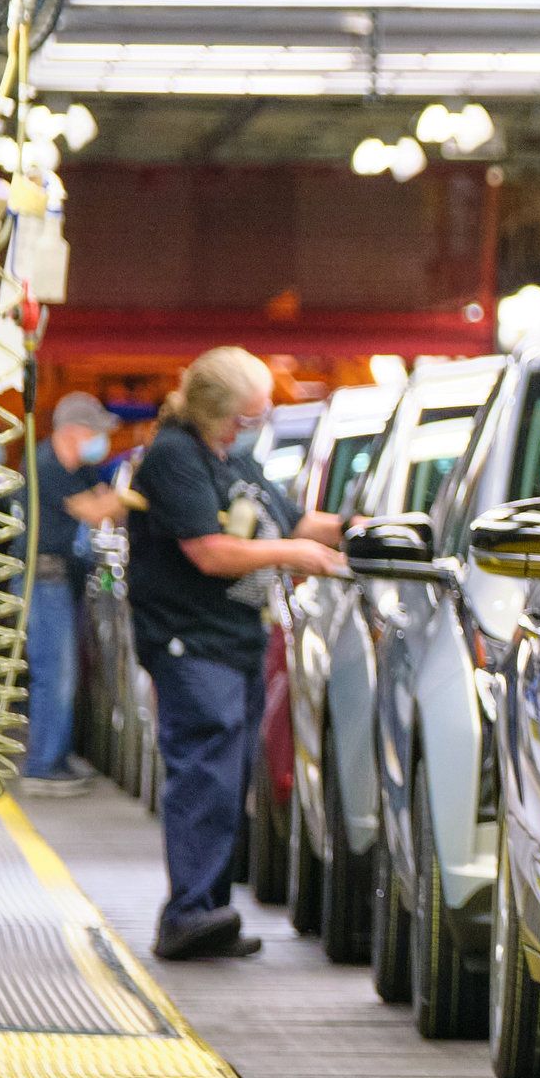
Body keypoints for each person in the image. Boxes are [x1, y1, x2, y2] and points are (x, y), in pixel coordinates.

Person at [124, 347, 345, 962]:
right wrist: (291, 558)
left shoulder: (228, 461)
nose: (253, 427)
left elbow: (295, 520)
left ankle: (208, 908)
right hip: (190, 642)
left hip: (232, 642)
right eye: (247, 417)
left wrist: (358, 527)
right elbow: (209, 551)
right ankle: (189, 912)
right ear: (215, 411)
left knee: (224, 778)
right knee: (203, 772)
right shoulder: (175, 457)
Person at [15, 393, 125, 796]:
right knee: (53, 675)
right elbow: (97, 511)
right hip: (43, 580)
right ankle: (42, 765)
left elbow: (103, 503)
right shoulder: (47, 465)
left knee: (63, 674)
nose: (100, 441)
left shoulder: (75, 470)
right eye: (96, 432)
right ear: (75, 432)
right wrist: (138, 488)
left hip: (61, 581)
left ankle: (56, 757)